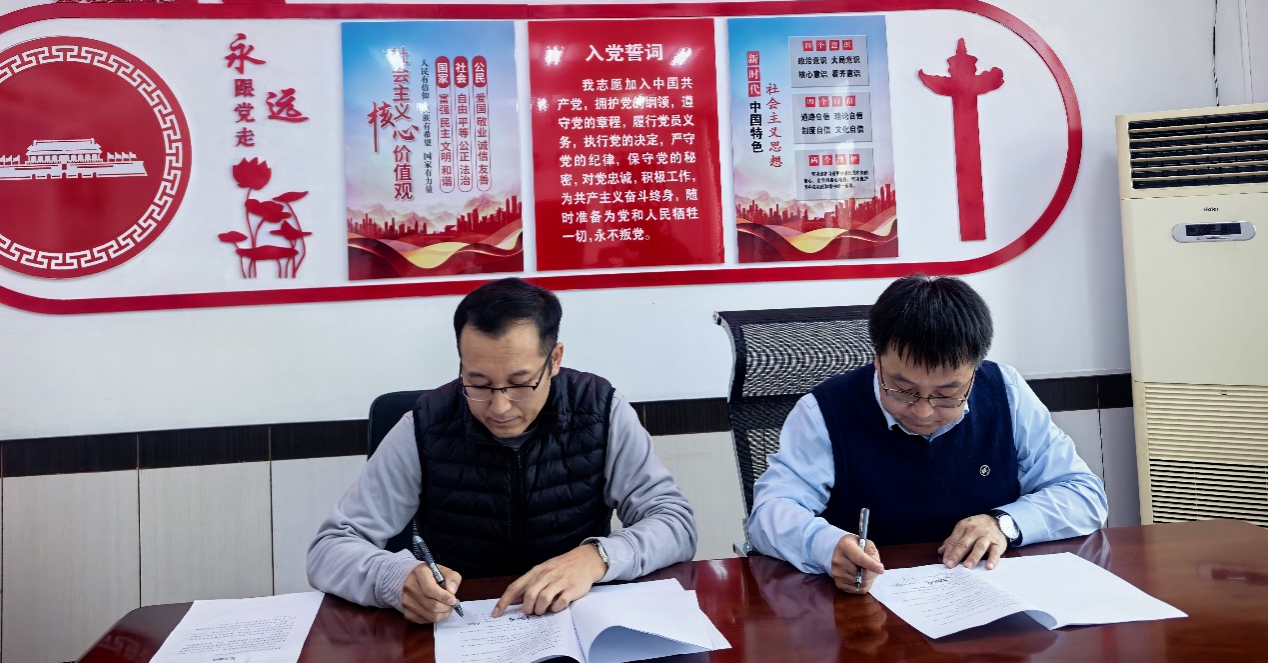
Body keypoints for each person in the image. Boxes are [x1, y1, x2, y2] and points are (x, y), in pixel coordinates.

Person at [308, 277, 697, 622]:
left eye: (520, 383)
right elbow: (330, 549)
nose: (499, 407)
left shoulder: (600, 410)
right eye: (478, 384)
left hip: (576, 618)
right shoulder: (425, 424)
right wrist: (394, 579)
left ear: (554, 360)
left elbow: (674, 523)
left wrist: (597, 558)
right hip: (462, 625)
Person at [748, 274, 1108, 595]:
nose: (923, 411)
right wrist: (825, 546)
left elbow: (1083, 494)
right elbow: (769, 513)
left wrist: (1004, 523)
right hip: (868, 604)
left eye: (947, 394)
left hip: (989, 594)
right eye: (902, 390)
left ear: (975, 372)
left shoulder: (1006, 392)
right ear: (877, 360)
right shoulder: (823, 411)